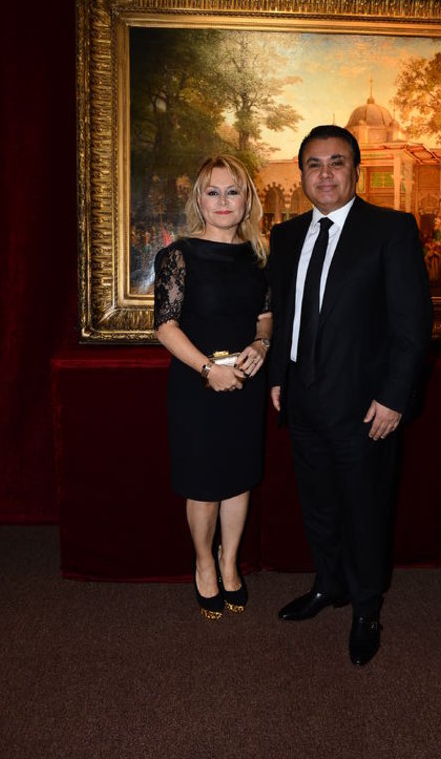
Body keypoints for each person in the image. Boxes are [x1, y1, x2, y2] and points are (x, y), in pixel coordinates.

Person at [268, 125, 432, 666]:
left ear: (355, 171)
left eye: (336, 162)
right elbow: (285, 314)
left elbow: (412, 325)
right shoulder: (286, 236)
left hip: (366, 407)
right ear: (301, 173)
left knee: (365, 509)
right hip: (302, 399)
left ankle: (366, 609)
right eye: (313, 164)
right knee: (317, 504)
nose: (325, 174)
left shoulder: (390, 230)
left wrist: (394, 398)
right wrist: (277, 376)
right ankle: (329, 584)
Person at [154, 155, 272, 621]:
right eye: (213, 192)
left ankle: (229, 562)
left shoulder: (259, 257)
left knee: (239, 479)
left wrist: (262, 344)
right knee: (204, 484)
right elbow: (165, 326)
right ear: (199, 201)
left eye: (232, 191)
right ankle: (204, 562)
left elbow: (265, 316)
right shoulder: (179, 255)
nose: (223, 201)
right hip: (196, 387)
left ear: (247, 201)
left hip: (245, 384)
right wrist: (208, 370)